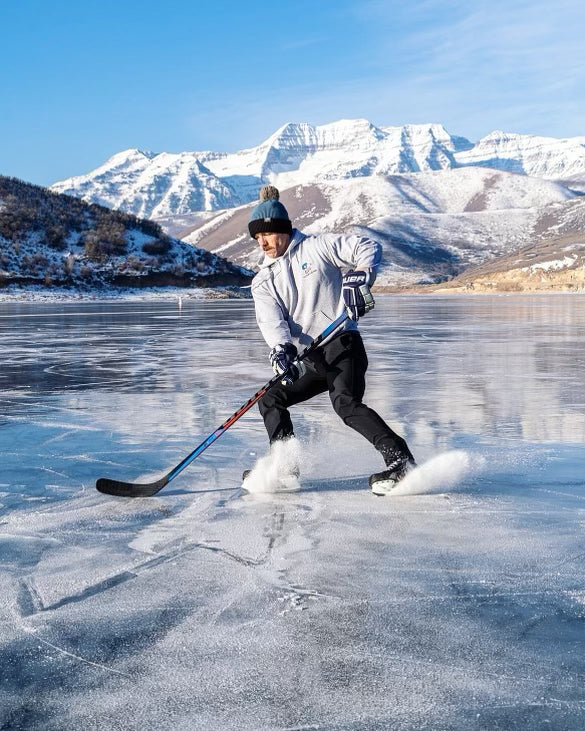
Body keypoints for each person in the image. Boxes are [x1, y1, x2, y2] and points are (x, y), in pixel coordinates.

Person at [247, 185, 415, 494]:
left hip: (342, 345)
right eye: (257, 239)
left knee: (345, 404)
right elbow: (271, 321)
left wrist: (360, 277)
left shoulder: (317, 248)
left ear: (280, 229)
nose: (262, 243)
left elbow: (367, 247)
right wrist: (281, 348)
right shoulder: (263, 280)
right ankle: (285, 467)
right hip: (310, 358)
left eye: (265, 235)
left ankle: (401, 461)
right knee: (271, 398)